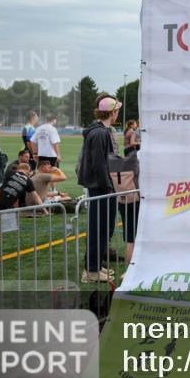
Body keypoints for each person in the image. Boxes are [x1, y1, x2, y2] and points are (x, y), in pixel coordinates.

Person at [77, 95, 122, 283]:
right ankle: (91, 271)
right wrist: (109, 186)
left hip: (102, 186)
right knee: (99, 228)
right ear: (112, 112)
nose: (118, 113)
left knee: (104, 228)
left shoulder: (100, 131)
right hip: (101, 187)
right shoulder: (100, 133)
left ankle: (96, 266)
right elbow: (99, 164)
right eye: (117, 110)